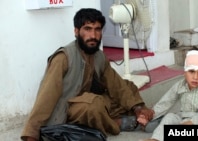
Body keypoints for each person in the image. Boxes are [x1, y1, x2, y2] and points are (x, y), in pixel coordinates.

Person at [20, 8, 154, 141]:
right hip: (69, 111)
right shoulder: (64, 58)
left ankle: (132, 116)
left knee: (127, 85)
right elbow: (46, 97)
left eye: (97, 29)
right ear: (76, 32)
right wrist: (31, 135)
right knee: (93, 106)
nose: (93, 36)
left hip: (93, 101)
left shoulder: (99, 56)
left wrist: (138, 108)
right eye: (87, 29)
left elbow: (116, 85)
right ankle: (116, 124)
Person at [141, 48, 198, 141]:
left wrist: (192, 122)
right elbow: (166, 101)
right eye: (191, 71)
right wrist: (152, 114)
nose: (195, 77)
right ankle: (156, 139)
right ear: (185, 72)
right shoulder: (179, 85)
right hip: (185, 116)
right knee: (169, 117)